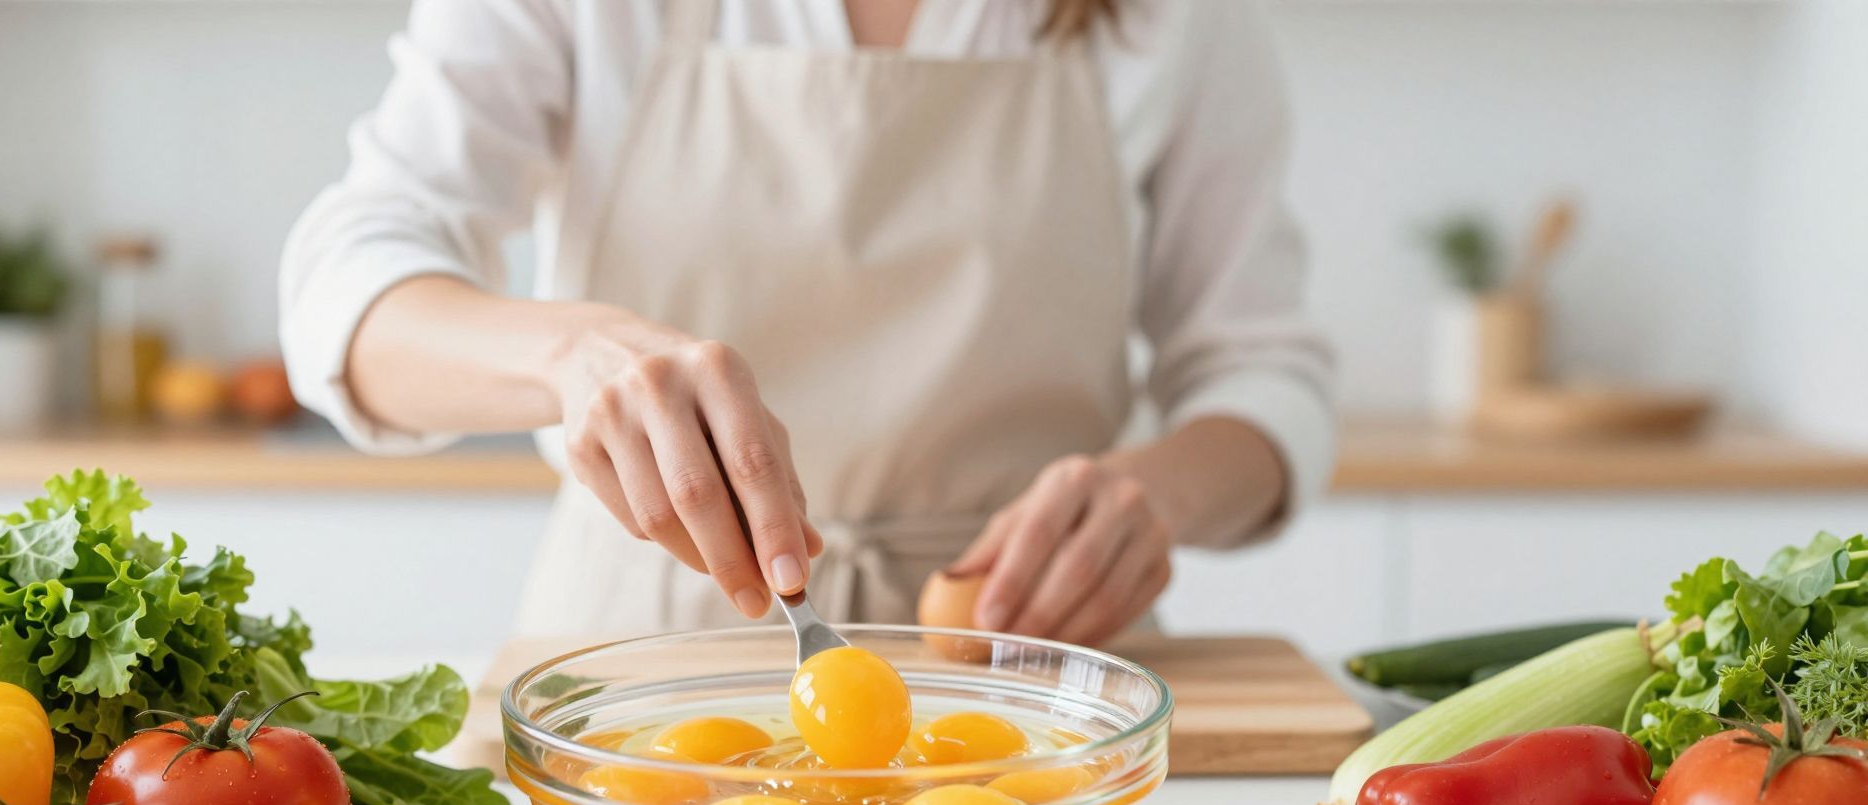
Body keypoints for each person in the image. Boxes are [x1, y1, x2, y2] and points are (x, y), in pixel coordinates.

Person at [280, 0, 1334, 643]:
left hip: (1037, 668)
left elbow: (1263, 369)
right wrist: (569, 356)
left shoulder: (1179, 14)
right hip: (638, 660)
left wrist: (1154, 497)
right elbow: (349, 285)